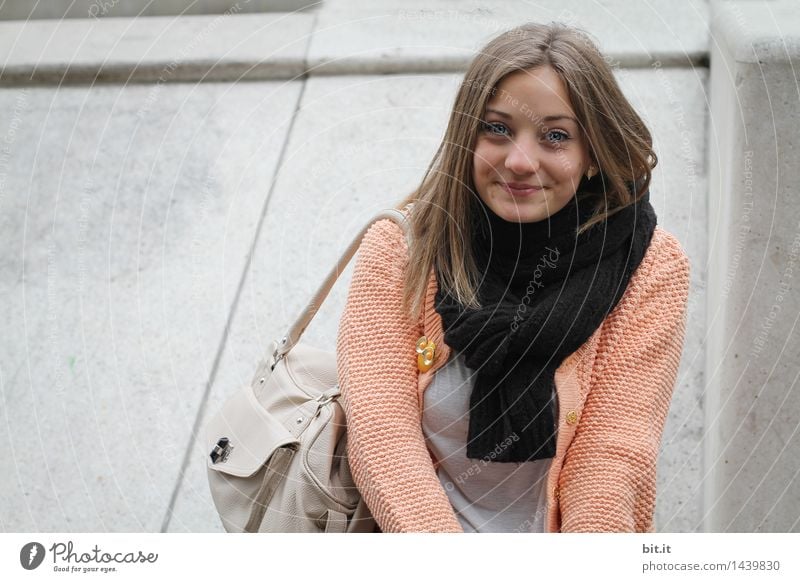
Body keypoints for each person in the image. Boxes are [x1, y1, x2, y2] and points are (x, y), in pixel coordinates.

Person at [336, 22, 689, 533]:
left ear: (593, 153)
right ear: (466, 137)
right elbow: (380, 433)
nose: (521, 162)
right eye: (497, 128)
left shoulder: (652, 267)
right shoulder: (402, 247)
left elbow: (613, 456)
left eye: (556, 136)